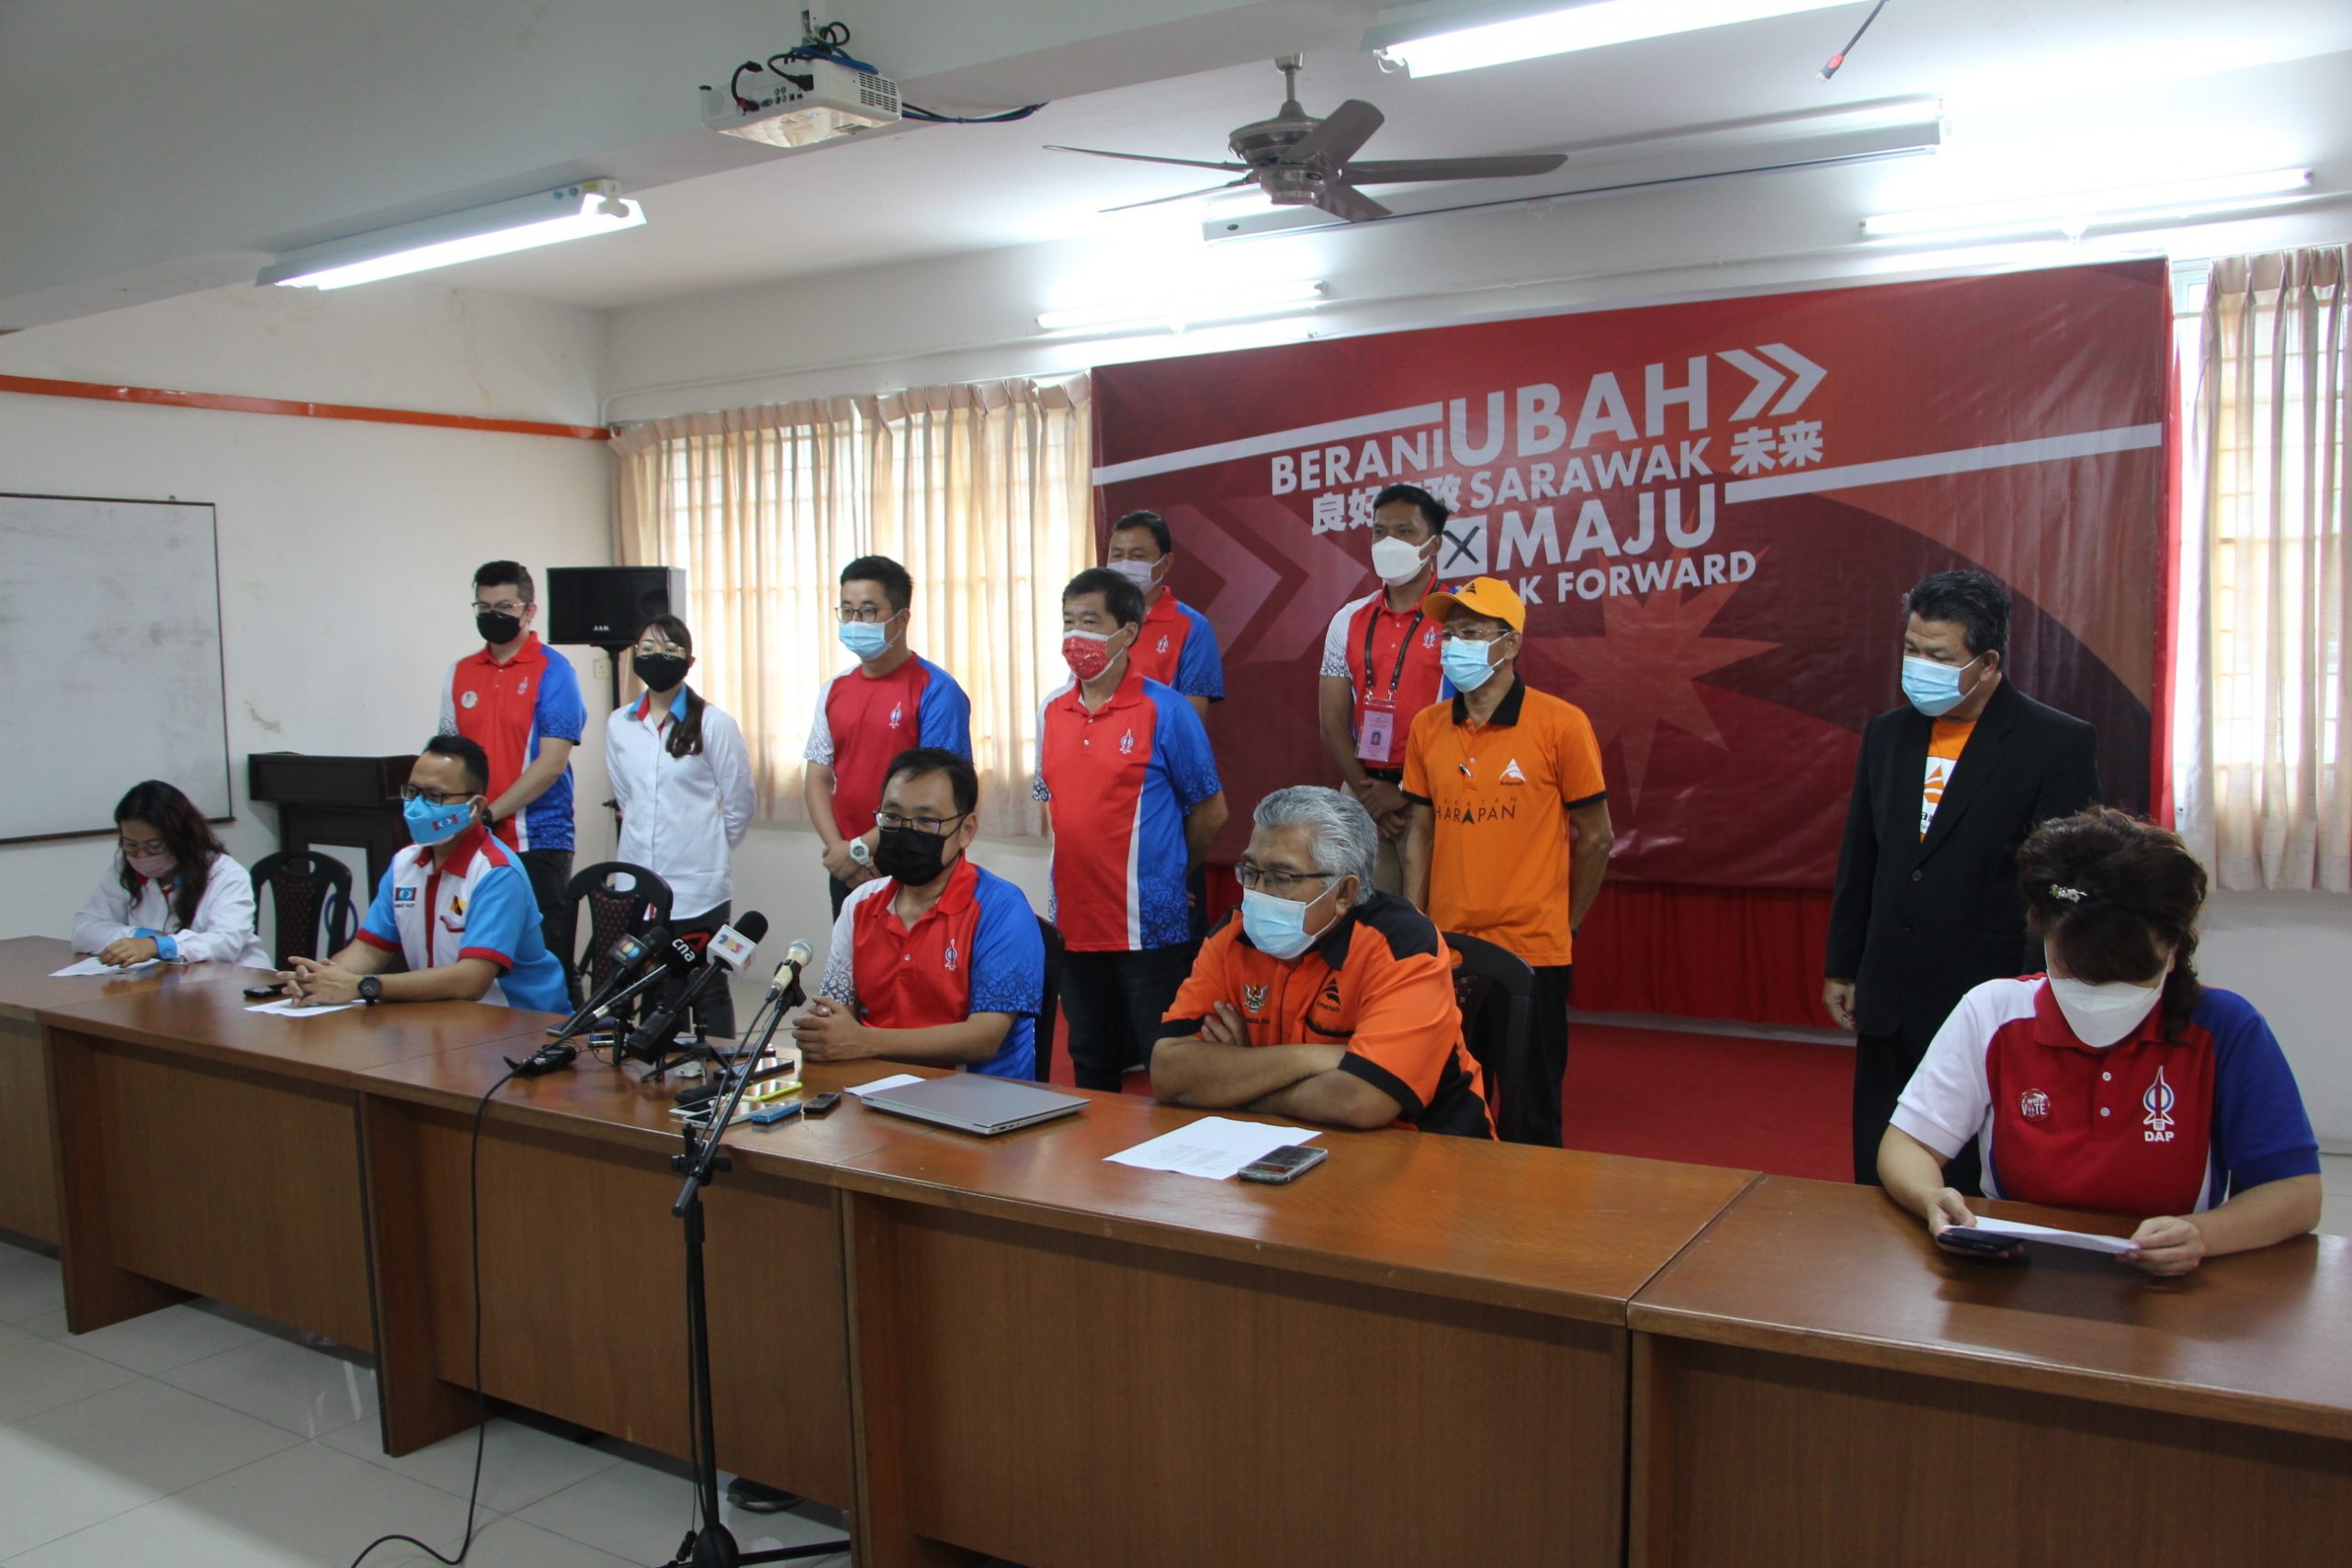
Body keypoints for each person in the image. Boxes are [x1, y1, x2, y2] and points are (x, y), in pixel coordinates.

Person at [1879, 808, 2321, 1277]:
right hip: (2016, 1273)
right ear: (2046, 938)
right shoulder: (1993, 1012)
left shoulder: (2225, 1028)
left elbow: (2296, 1193)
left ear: (2174, 950)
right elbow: (1908, 1145)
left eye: (2127, 976)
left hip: (2166, 1285)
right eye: (2077, 973)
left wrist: (2204, 1235)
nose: (2099, 994)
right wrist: (1930, 1197)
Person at [1827, 569, 2101, 1191]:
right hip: (1890, 990)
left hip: (1986, 992)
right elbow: (1861, 855)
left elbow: (2062, 887)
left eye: (1939, 655)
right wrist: (1844, 963)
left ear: (1987, 662)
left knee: (1966, 1178)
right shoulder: (1888, 735)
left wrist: (2038, 994)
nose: (1918, 665)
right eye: (1911, 649)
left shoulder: (2055, 743)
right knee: (1878, 1160)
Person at [1401, 576, 1610, 1148]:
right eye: (1450, 634)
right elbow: (1420, 831)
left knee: (1529, 1113)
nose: (1455, 646)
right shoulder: (1427, 726)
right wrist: (1418, 922)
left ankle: (1535, 1202)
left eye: (1472, 633)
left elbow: (1596, 838)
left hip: (1532, 950)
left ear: (1511, 643)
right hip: (1449, 949)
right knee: (1449, 1108)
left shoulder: (1561, 723)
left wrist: (1566, 923)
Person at [1153, 787, 1493, 1137]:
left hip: (1429, 1148)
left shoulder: (1402, 943)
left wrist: (1237, 1083)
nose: (1258, 893)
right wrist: (1309, 1058)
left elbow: (1360, 1101)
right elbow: (1168, 1071)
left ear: (1344, 892)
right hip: (1286, 1142)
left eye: (1281, 878)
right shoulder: (1234, 933)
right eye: (1251, 872)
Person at [1037, 567, 1227, 1089]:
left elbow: (1212, 811)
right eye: (1068, 621)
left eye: (1090, 622)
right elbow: (1056, 808)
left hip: (1150, 927)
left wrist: (1170, 872)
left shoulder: (1166, 709)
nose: (1075, 635)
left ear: (1127, 632)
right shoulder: (1051, 711)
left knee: (1164, 1063)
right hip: (1075, 922)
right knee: (1090, 1059)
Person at [797, 747, 1045, 1078]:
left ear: (966, 830)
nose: (906, 831)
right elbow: (836, 1014)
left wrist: (864, 1041)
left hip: (976, 1097)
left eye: (926, 821)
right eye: (893, 818)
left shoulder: (1001, 910)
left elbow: (984, 1037)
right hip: (874, 1089)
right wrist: (824, 1033)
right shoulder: (860, 904)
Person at [279, 735, 569, 1011]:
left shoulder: (496, 872)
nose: (417, 806)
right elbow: (368, 950)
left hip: (519, 1022)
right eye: (413, 792)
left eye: (434, 796)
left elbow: (471, 980)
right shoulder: (404, 864)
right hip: (444, 1018)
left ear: (475, 806)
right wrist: (321, 980)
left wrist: (363, 986)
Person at [605, 615, 755, 1039]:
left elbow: (740, 802)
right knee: (654, 986)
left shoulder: (714, 724)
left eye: (670, 650)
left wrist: (707, 847)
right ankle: (658, 1068)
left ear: (689, 661)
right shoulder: (619, 724)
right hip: (639, 881)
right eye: (647, 649)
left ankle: (717, 1068)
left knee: (706, 985)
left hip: (698, 884)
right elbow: (626, 798)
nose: (658, 657)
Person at [804, 555, 973, 919]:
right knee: (853, 955)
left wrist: (859, 850)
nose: (855, 621)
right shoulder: (833, 689)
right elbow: (817, 777)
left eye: (868, 611)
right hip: (848, 867)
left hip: (919, 862)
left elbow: (934, 795)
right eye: (847, 611)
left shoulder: (937, 690)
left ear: (902, 618)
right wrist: (840, 851)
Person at [1318, 483, 1455, 893]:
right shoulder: (1348, 618)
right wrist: (1371, 797)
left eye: (1404, 531)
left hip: (1435, 795)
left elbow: (1470, 719)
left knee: (1427, 920)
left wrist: (1405, 792)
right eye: (1380, 531)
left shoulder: (1460, 616)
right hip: (1362, 790)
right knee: (1364, 915)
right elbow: (1332, 724)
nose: (1388, 542)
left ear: (1434, 544)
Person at [440, 560, 586, 934]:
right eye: (484, 607)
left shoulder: (555, 670)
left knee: (541, 950)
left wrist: (488, 815)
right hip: (472, 841)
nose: (493, 615)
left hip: (537, 841)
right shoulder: (459, 672)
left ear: (529, 610)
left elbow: (551, 765)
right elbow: (448, 758)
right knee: (473, 939)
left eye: (505, 607)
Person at [74, 780, 269, 969]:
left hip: (234, 980)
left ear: (179, 838)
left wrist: (160, 946)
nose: (141, 855)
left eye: (154, 845)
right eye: (131, 845)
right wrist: (142, 937)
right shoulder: (122, 869)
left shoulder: (225, 873)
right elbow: (85, 930)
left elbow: (225, 943)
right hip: (165, 980)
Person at [1104, 509, 1224, 718]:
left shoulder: (1193, 627)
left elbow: (1192, 717)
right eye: (1117, 555)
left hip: (1156, 739)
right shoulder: (1096, 620)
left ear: (1166, 563)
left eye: (1137, 556)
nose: (1125, 564)